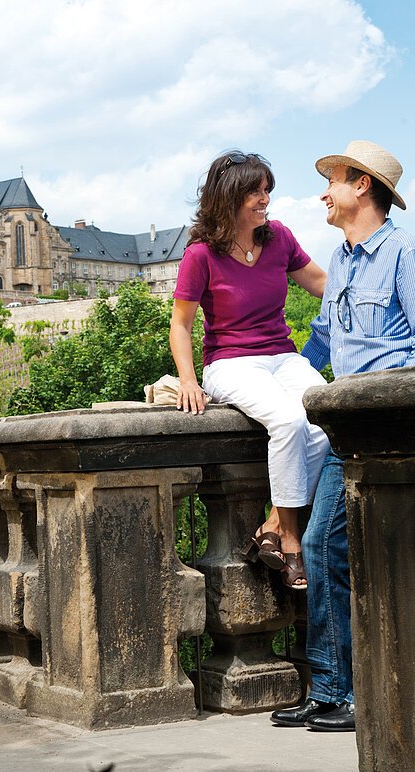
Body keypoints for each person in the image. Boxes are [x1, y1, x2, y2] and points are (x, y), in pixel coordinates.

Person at [270, 140, 415, 731]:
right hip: (342, 426)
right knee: (324, 549)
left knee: (327, 545)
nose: (325, 192)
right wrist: (277, 382)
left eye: (335, 181)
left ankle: (338, 692)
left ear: (363, 187)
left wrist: (388, 412)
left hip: (385, 431)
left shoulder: (409, 253)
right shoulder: (341, 257)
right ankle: (331, 690)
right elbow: (322, 341)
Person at [170, 150, 329, 589]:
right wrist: (187, 380)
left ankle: (272, 526)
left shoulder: (278, 237)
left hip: (283, 356)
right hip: (230, 363)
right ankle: (292, 539)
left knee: (327, 421)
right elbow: (180, 325)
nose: (265, 199)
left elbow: (322, 284)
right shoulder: (201, 255)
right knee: (289, 419)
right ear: (229, 198)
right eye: (256, 192)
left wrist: (370, 289)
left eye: (266, 191)